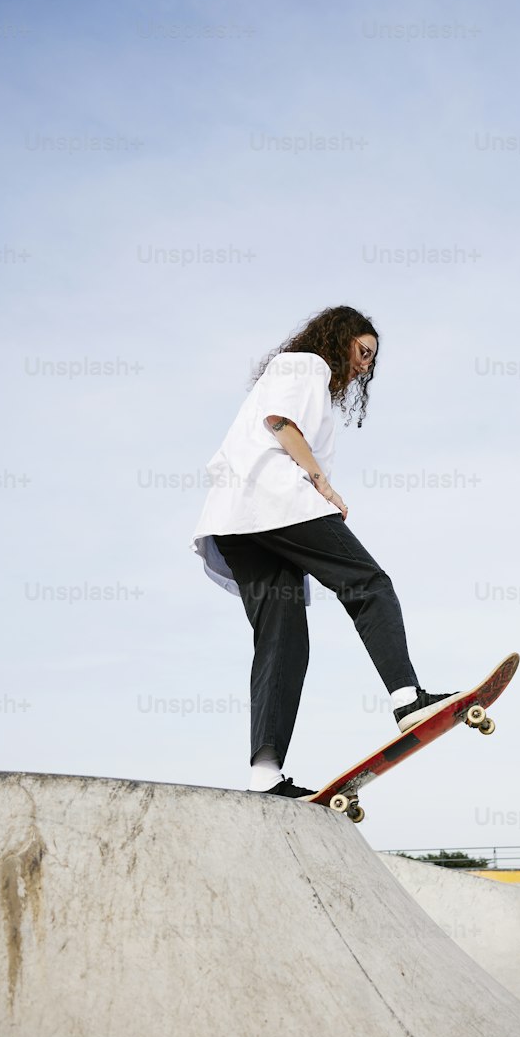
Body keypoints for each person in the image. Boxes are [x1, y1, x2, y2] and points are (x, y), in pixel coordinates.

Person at [191, 304, 456, 798]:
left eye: (372, 361)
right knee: (367, 583)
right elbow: (280, 422)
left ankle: (265, 776)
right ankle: (407, 699)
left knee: (282, 639)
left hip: (236, 520)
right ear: (340, 338)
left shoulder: (287, 370)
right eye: (362, 352)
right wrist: (322, 483)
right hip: (273, 499)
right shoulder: (305, 364)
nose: (365, 366)